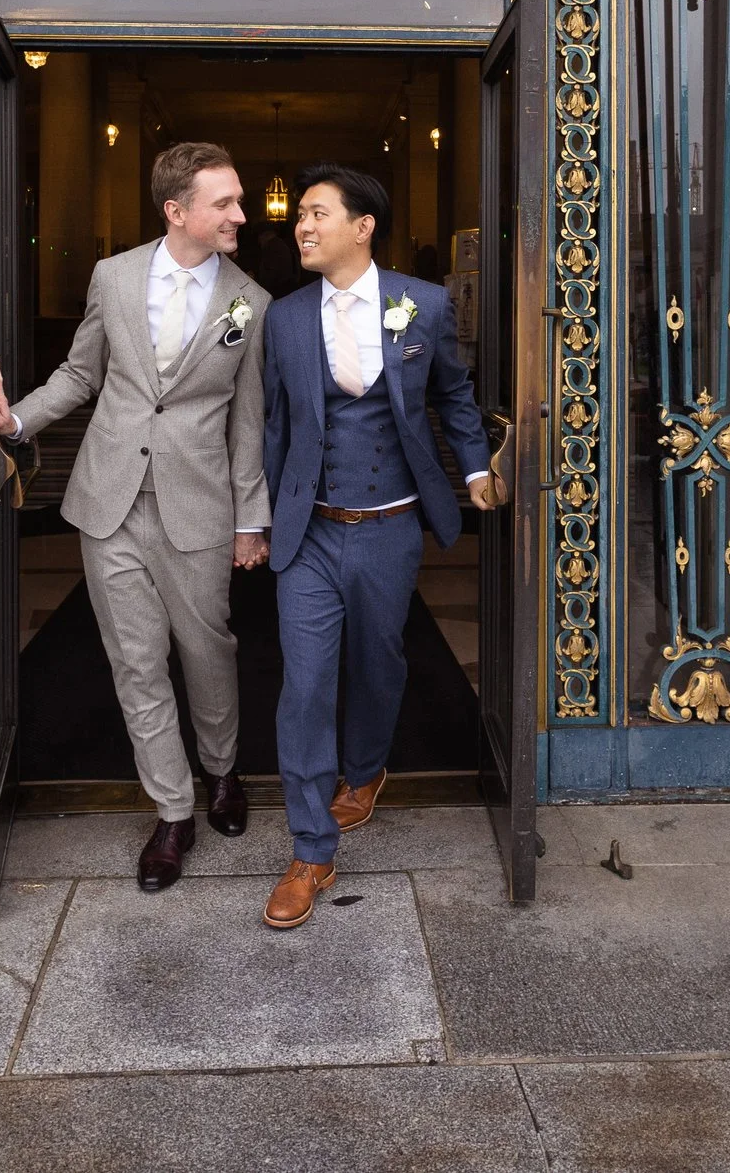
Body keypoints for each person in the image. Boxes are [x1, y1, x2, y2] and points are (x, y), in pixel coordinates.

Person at [0, 142, 272, 892]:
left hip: (200, 505)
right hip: (108, 501)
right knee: (136, 661)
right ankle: (173, 810)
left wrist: (252, 518)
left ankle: (221, 769)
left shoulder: (249, 299)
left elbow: (249, 421)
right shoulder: (113, 277)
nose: (241, 214)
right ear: (178, 211)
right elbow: (81, 373)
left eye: (240, 199)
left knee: (207, 650)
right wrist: (15, 420)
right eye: (225, 203)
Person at [256, 164, 495, 929]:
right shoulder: (285, 317)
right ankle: (311, 848)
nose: (302, 224)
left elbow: (453, 393)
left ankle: (365, 772)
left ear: (363, 225)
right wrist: (262, 516)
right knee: (304, 683)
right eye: (299, 214)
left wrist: (478, 466)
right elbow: (274, 425)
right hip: (313, 531)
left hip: (391, 525)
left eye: (317, 212)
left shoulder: (420, 304)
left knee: (380, 662)